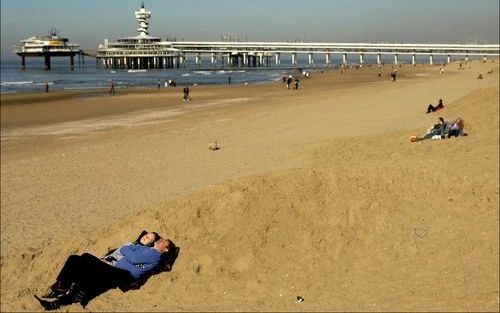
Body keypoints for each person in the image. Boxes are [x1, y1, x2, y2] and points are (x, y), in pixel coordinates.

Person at [34, 235, 173, 311]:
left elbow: (132, 257)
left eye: (164, 242)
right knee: (75, 259)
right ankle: (61, 287)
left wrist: (126, 250)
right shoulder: (145, 249)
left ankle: (66, 294)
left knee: (87, 258)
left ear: (165, 250)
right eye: (161, 239)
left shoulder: (155, 255)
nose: (161, 240)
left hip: (123, 274)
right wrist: (129, 251)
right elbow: (130, 255)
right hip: (115, 270)